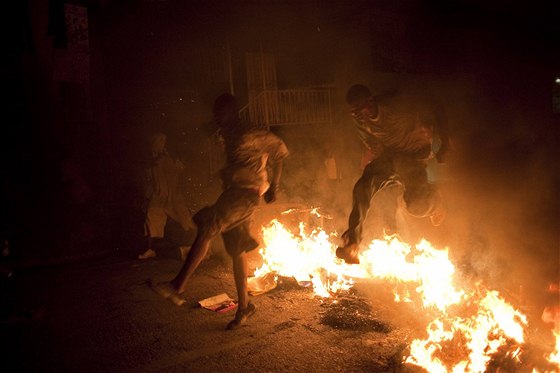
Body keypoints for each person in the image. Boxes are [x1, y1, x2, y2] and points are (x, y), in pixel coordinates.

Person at [150, 93, 289, 330]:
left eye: (220, 112)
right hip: (235, 193)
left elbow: (280, 151)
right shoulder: (227, 132)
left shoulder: (250, 132)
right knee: (237, 250)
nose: (216, 117)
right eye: (215, 113)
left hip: (245, 195)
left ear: (231, 112)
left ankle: (177, 286)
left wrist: (274, 186)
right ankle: (245, 307)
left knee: (209, 225)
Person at [336, 84, 451, 264]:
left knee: (416, 207)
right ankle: (353, 242)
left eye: (361, 108)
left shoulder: (395, 106)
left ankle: (436, 204)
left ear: (371, 101)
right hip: (391, 157)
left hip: (414, 156)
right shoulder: (359, 120)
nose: (358, 114)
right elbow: (371, 141)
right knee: (363, 186)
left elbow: (435, 106)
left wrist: (444, 142)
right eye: (354, 111)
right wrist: (375, 146)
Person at [138, 133, 195, 259]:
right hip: (158, 196)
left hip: (174, 196)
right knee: (151, 220)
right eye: (157, 141)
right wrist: (147, 197)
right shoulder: (150, 161)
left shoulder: (170, 157)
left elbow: (181, 172)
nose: (159, 143)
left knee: (186, 220)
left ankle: (202, 247)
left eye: (162, 140)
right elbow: (148, 180)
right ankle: (150, 249)